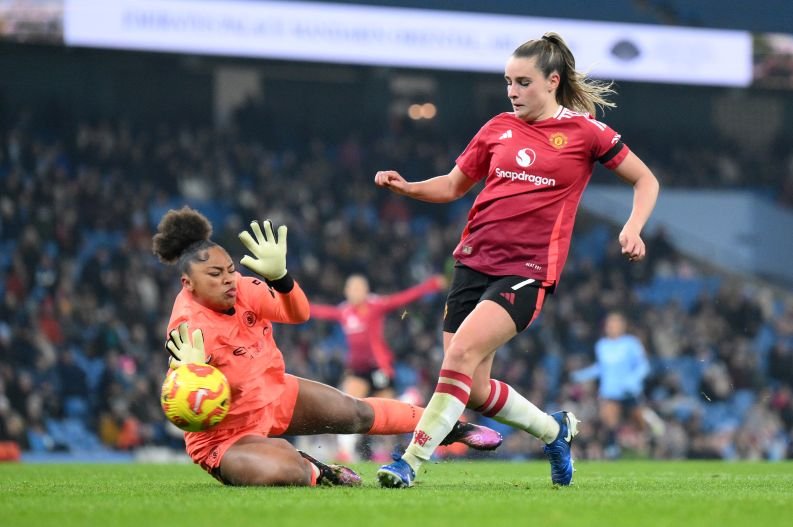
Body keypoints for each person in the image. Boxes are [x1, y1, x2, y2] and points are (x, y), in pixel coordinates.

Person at [373, 32, 659, 487]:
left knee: (459, 356)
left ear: (552, 81)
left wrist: (632, 227)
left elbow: (645, 180)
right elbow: (452, 186)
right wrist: (407, 187)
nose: (512, 91)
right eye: (508, 81)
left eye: (523, 82)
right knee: (477, 388)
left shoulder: (586, 133)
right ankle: (555, 429)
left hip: (526, 270)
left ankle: (409, 462)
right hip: (471, 261)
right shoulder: (497, 128)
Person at [152, 206, 502, 487]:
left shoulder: (243, 288)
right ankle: (317, 470)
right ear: (188, 284)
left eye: (229, 269)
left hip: (274, 393)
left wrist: (281, 278)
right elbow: (183, 409)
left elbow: (299, 312)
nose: (228, 278)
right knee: (288, 471)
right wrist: (193, 374)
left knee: (355, 412)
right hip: (227, 437)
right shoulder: (188, 327)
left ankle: (450, 426)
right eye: (215, 275)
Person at [310, 273, 446, 461]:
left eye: (359, 288)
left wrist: (429, 285)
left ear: (366, 290)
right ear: (346, 291)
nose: (355, 292)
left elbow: (403, 298)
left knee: (387, 412)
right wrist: (290, 302)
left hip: (378, 368)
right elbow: (321, 312)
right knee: (348, 407)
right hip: (357, 370)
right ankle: (347, 453)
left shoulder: (376, 305)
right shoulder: (345, 311)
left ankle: (408, 399)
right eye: (351, 288)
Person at [572, 311, 663, 458]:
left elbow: (643, 366)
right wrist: (583, 375)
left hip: (629, 391)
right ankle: (612, 450)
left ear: (622, 326)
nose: (612, 327)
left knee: (639, 424)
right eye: (610, 324)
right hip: (610, 392)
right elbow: (601, 368)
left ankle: (651, 437)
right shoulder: (602, 345)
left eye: (616, 323)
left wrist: (633, 379)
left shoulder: (631, 343)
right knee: (608, 421)